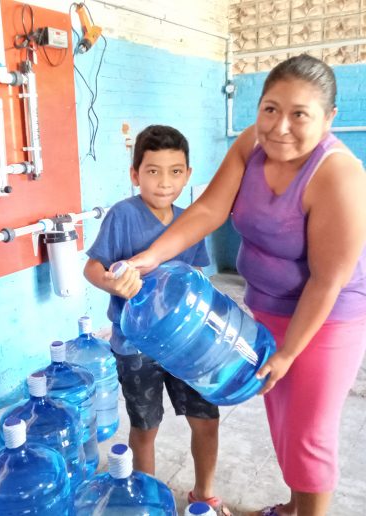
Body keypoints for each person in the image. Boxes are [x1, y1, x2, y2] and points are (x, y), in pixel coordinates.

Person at [126, 55, 366, 516]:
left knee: (310, 433)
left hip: (329, 318)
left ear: (329, 118)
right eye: (270, 109)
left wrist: (288, 353)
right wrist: (150, 257)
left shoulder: (339, 175)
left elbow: (327, 281)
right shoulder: (251, 144)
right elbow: (208, 210)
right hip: (267, 309)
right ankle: (294, 507)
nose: (280, 127)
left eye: (300, 114)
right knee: (284, 422)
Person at [84, 125, 230, 515]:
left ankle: (204, 493)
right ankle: (146, 497)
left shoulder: (192, 221)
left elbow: (198, 275)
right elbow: (92, 267)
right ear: (135, 174)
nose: (164, 182)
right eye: (153, 171)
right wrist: (113, 283)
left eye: (175, 171)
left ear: (188, 173)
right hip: (136, 347)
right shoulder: (122, 216)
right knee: (145, 427)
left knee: (206, 419)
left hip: (187, 345)